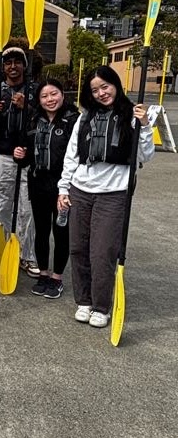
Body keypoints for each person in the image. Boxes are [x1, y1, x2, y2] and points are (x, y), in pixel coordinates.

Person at [57, 66, 154, 328]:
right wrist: (63, 188)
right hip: (81, 190)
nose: (101, 93)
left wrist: (144, 126)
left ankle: (101, 305)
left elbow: (144, 156)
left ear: (116, 84)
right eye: (95, 90)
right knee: (78, 248)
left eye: (105, 86)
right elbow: (72, 155)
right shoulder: (85, 117)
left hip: (113, 194)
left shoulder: (133, 115)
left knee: (102, 252)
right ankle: (84, 301)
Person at [12, 79, 79, 299]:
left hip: (63, 187)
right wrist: (20, 156)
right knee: (41, 231)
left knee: (61, 231)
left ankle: (57, 277)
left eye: (54, 94)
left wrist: (68, 187)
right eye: (44, 96)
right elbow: (26, 154)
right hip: (38, 183)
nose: (50, 99)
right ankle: (43, 273)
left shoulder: (74, 120)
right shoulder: (33, 120)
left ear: (62, 94)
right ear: (38, 100)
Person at [0, 46, 39, 277]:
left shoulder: (36, 91)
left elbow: (46, 119)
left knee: (29, 208)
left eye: (17, 62)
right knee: (3, 206)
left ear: (25, 65)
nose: (13, 66)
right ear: (3, 66)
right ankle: (6, 248)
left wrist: (28, 106)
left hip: (28, 158)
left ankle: (27, 255)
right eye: (8, 62)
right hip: (2, 155)